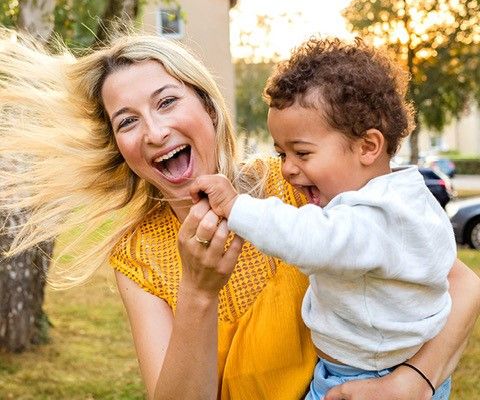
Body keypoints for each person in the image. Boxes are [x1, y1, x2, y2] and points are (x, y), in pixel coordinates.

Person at [0, 30, 479, 400]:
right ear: (120, 145)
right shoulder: (138, 257)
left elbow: (458, 283)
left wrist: (414, 381)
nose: (154, 130)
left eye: (167, 101)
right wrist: (198, 292)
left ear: (208, 108)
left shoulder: (295, 184)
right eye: (127, 121)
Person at [191, 37, 458, 398]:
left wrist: (236, 205)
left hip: (368, 378)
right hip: (381, 366)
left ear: (367, 147)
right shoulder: (409, 197)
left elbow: (308, 238)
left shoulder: (375, 218)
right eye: (281, 153)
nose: (287, 168)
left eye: (301, 152)